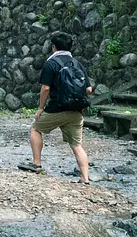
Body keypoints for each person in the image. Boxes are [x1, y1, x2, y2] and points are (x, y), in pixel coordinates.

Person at [25, 31, 92, 184]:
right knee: (76, 144)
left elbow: (45, 88)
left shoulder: (51, 63)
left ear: (54, 47)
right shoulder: (77, 63)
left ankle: (36, 163)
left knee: (35, 128)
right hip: (76, 110)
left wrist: (41, 108)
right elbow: (88, 89)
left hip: (57, 108)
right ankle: (85, 178)